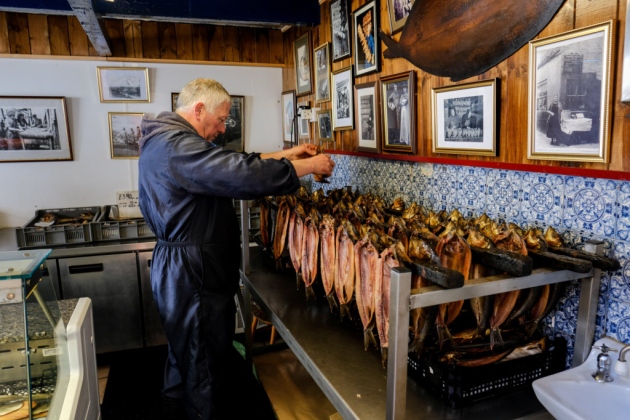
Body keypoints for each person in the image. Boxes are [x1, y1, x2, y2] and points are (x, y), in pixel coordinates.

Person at [138, 78, 334, 420]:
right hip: (193, 274)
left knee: (185, 355)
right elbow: (238, 173)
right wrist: (306, 167)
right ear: (199, 110)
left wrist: (287, 155)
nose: (222, 127)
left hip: (182, 270)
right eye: (220, 119)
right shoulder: (176, 146)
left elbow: (230, 162)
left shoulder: (171, 140)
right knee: (204, 368)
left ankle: (172, 410)